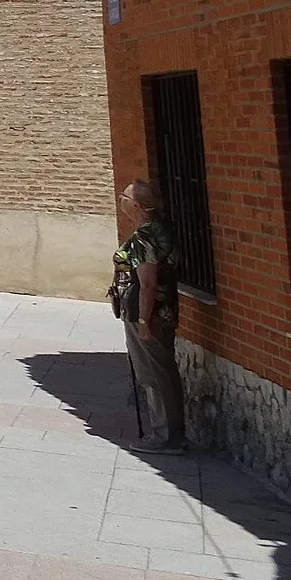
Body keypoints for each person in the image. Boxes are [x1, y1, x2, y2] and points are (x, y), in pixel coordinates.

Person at [112, 180, 187, 453]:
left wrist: (143, 322)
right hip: (165, 308)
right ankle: (174, 434)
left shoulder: (144, 237)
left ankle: (164, 438)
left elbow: (147, 283)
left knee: (153, 374)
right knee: (165, 371)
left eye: (125, 196)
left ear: (138, 206)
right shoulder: (162, 229)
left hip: (148, 312)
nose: (121, 199)